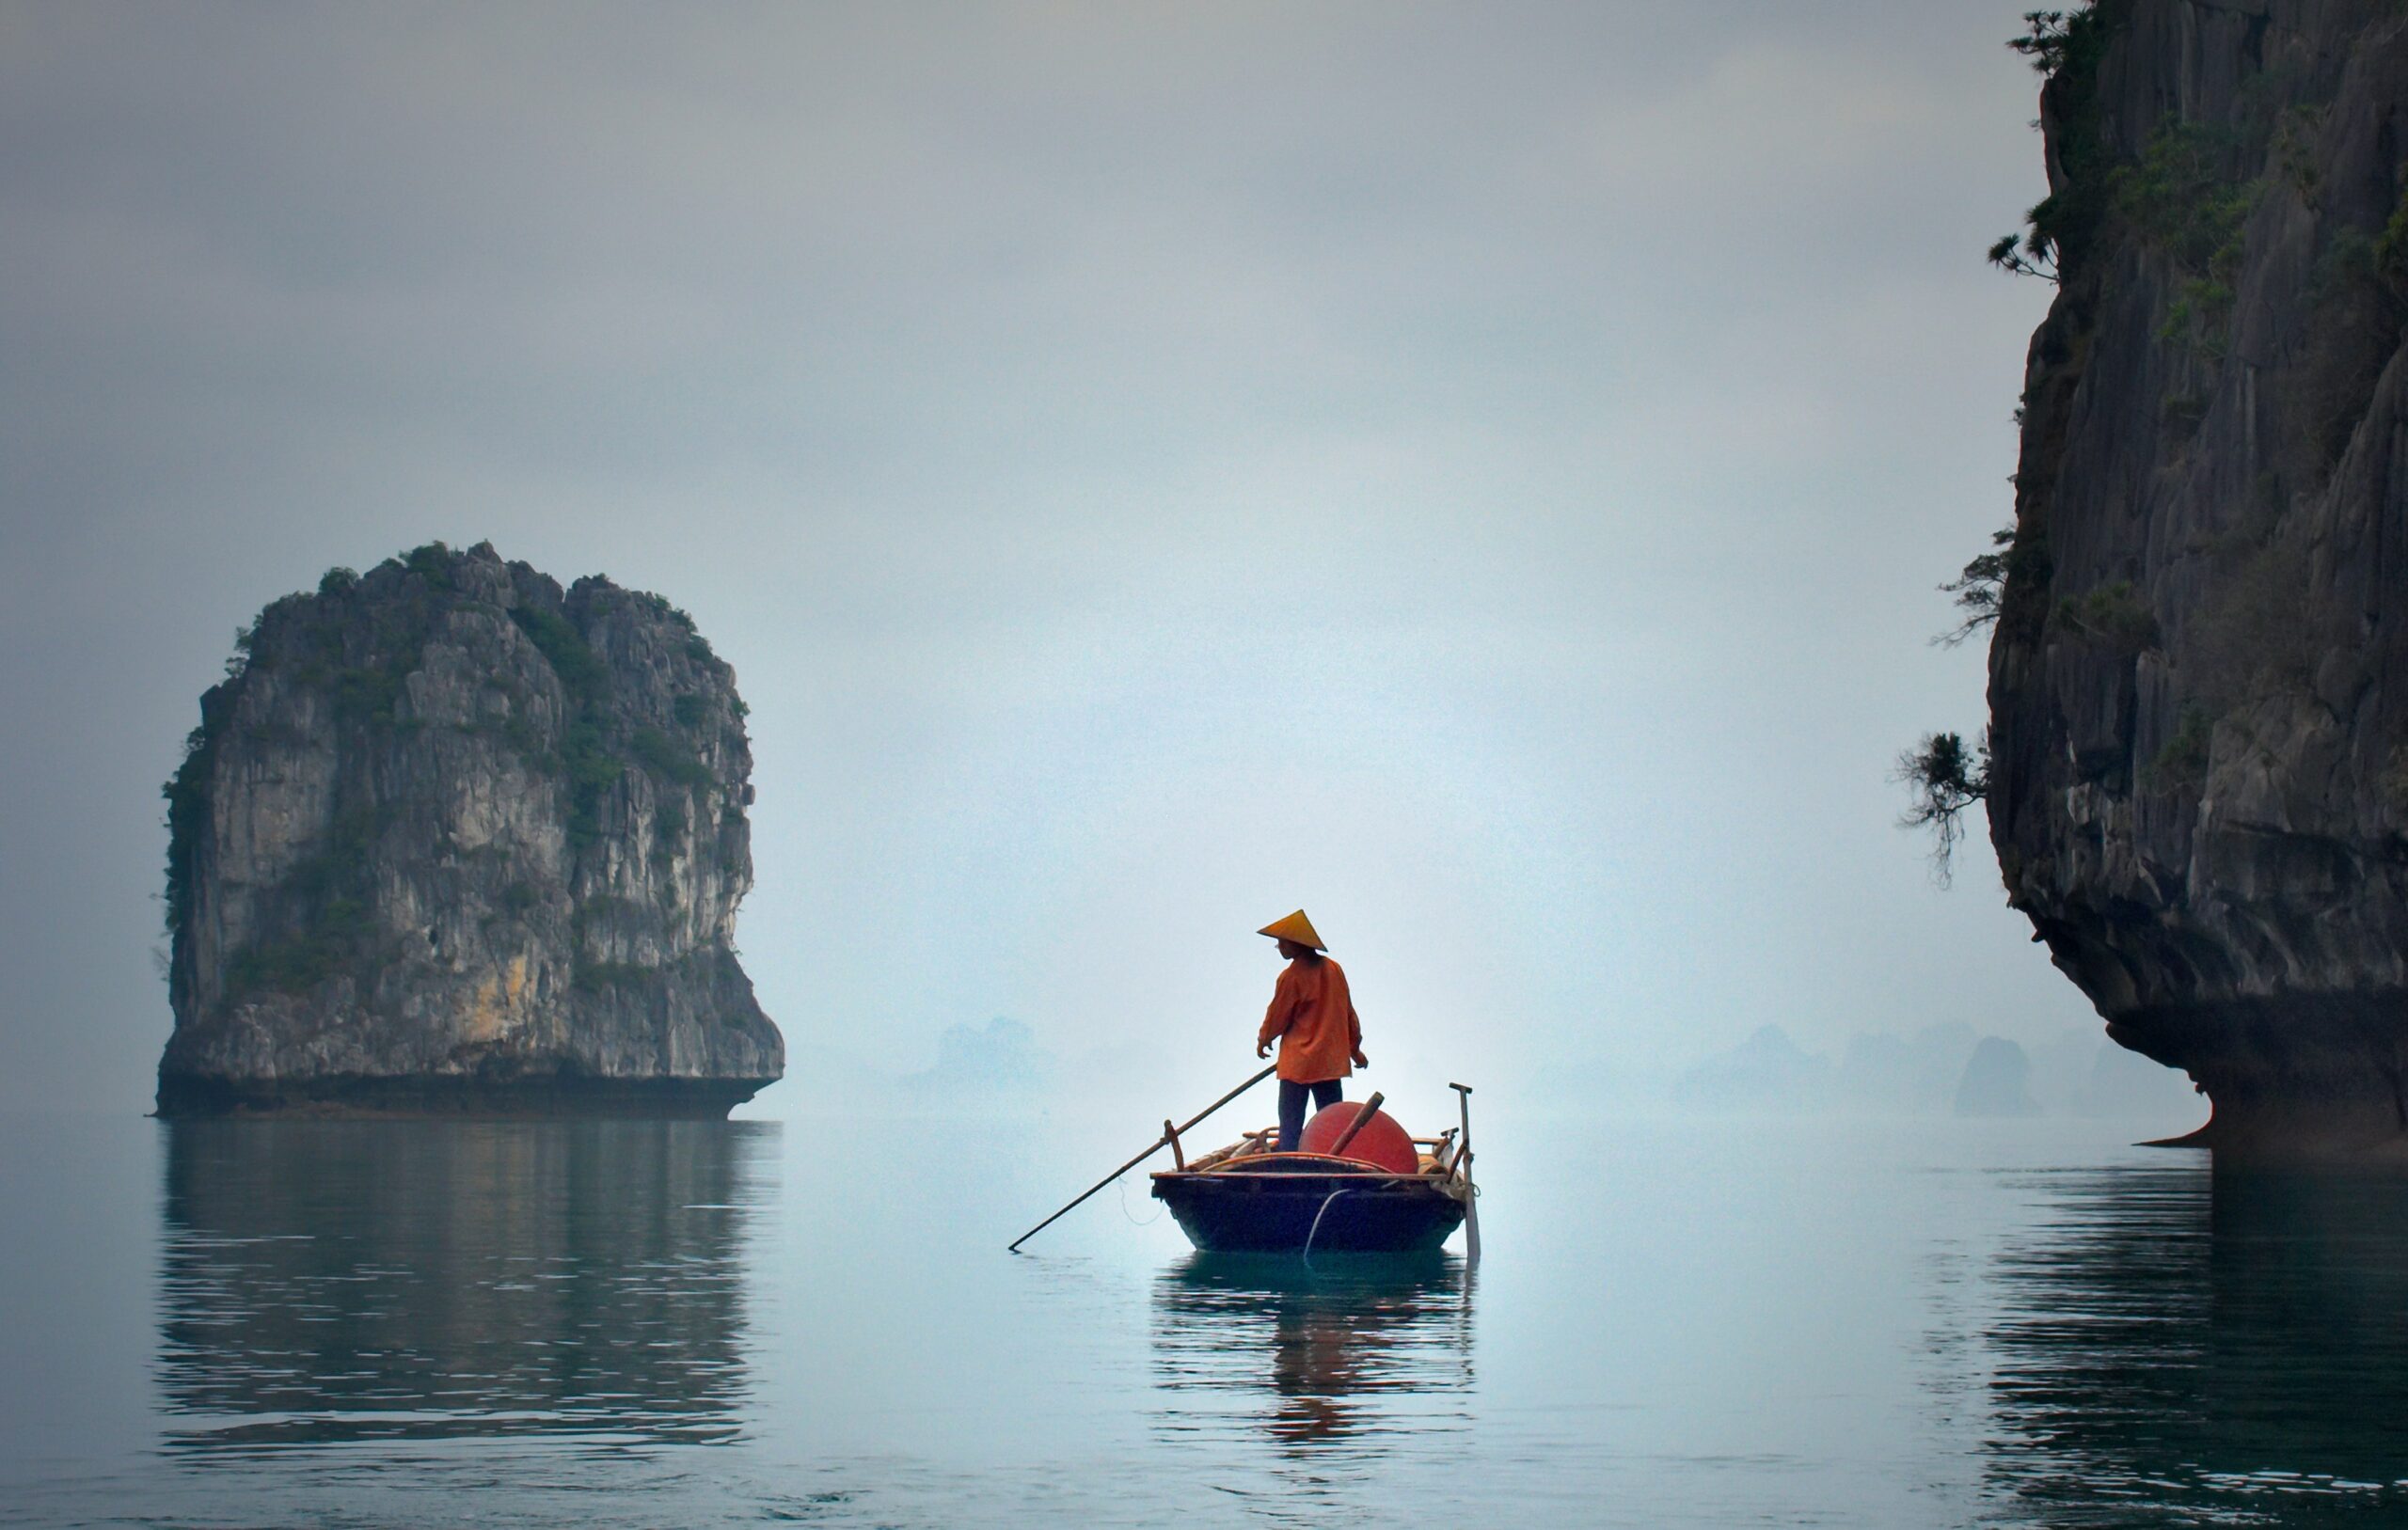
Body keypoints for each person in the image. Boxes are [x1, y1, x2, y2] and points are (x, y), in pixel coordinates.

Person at [1253, 909, 1368, 1152]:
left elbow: (1277, 1016)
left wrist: (1264, 1039)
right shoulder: (1334, 970)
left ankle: (1288, 1166)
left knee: (1291, 1127)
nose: (1279, 947)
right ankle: (1332, 1162)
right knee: (1333, 1126)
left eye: (1282, 942)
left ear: (1296, 944)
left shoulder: (1291, 976)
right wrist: (1354, 1050)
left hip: (1298, 1066)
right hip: (1330, 1062)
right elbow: (1349, 1014)